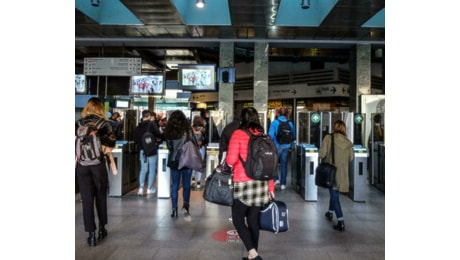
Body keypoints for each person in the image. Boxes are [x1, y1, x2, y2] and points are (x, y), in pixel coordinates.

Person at [226, 107, 275, 260]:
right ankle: (252, 254)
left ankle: (253, 254)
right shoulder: (264, 136)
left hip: (243, 183)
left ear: (243, 119)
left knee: (238, 220)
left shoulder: (238, 134)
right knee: (253, 221)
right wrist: (271, 187)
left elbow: (231, 160)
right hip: (261, 184)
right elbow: (270, 164)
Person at [75, 97, 117, 247]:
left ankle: (91, 235)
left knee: (86, 201)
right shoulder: (105, 124)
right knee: (100, 197)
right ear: (101, 108)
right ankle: (102, 229)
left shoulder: (78, 123)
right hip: (98, 165)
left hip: (82, 166)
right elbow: (111, 143)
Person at [318, 120, 354, 232]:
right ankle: (330, 212)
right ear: (344, 129)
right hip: (343, 173)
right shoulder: (348, 142)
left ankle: (340, 221)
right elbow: (351, 158)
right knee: (334, 193)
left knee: (335, 196)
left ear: (334, 127)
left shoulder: (329, 138)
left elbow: (322, 153)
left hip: (331, 172)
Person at [163, 110, 196, 219]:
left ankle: (174, 210)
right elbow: (194, 143)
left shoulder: (169, 130)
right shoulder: (188, 130)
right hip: (186, 160)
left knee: (175, 185)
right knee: (186, 185)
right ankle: (186, 207)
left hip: (174, 160)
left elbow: (169, 146)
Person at [134, 110, 163, 196]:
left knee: (143, 169)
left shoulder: (138, 126)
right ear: (149, 116)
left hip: (142, 151)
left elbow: (136, 140)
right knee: (152, 169)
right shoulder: (152, 124)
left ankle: (141, 188)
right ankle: (149, 188)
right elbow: (158, 134)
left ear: (142, 116)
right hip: (151, 150)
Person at [268, 108, 296, 190]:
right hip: (286, 146)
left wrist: (272, 143)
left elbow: (271, 135)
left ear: (278, 114)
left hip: (277, 146)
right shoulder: (290, 123)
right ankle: (283, 183)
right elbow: (293, 135)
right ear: (286, 114)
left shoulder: (274, 122)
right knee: (284, 164)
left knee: (274, 163)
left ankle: (276, 179)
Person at [191, 115, 206, 189]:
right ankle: (199, 182)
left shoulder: (191, 128)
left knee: (193, 164)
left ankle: (193, 180)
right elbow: (206, 139)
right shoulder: (203, 129)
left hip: (193, 148)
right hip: (201, 148)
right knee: (200, 165)